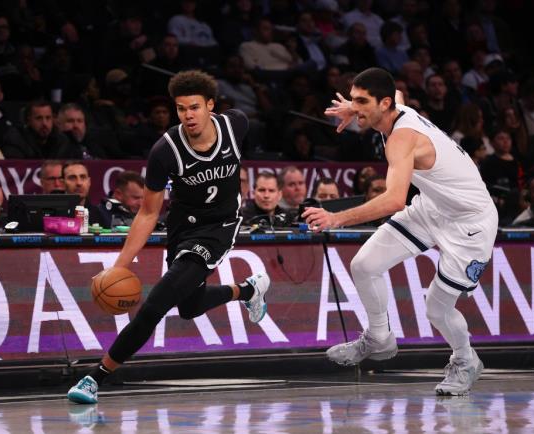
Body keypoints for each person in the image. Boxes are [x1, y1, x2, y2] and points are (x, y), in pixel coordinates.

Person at [67, 70, 270, 404]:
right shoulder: (165, 150)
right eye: (181, 109)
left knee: (154, 306)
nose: (188, 115)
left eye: (194, 107)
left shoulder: (237, 125)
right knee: (189, 306)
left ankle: (94, 378)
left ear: (210, 106)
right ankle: (249, 289)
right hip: (182, 227)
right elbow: (148, 212)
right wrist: (119, 265)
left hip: (219, 227)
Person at [304, 67, 498, 396]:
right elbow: (399, 96)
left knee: (437, 308)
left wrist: (337, 219)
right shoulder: (395, 108)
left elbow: (394, 199)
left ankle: (466, 360)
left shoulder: (401, 139)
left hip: (470, 223)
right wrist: (356, 109)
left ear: (383, 103)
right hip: (433, 207)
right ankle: (379, 337)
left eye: (362, 101)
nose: (355, 106)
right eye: (353, 99)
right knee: (364, 265)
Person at [62, 161, 107, 227]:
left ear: (89, 182)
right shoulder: (54, 214)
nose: (79, 183)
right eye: (72, 178)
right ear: (63, 183)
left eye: (83, 177)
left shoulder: (100, 215)